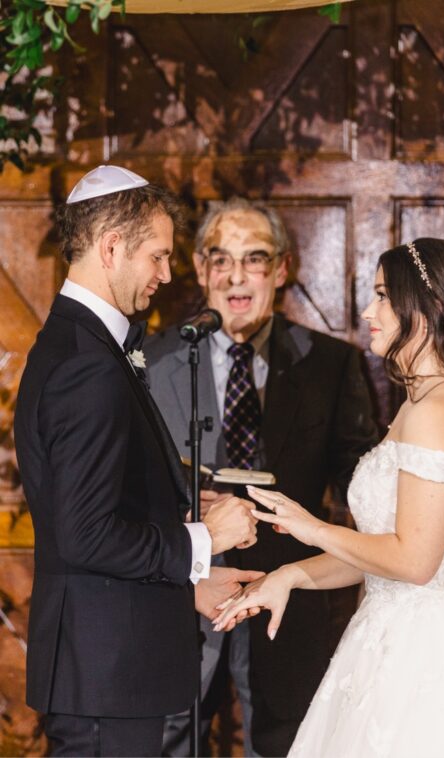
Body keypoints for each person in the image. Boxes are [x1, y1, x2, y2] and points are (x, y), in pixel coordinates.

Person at [213, 238, 444, 757]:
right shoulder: (426, 401)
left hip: (420, 657)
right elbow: (381, 553)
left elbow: (414, 562)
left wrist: (312, 528)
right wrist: (289, 576)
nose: (368, 311)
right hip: (389, 633)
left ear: (427, 308)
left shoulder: (435, 410)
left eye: (382, 297)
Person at [13, 165, 259, 756]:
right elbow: (84, 536)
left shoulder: (84, 345)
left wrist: (186, 585)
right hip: (104, 676)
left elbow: (106, 509)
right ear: (112, 246)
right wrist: (201, 540)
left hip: (107, 668)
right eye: (158, 256)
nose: (165, 275)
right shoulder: (85, 363)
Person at [146, 197, 379, 756]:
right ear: (200, 269)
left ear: (281, 269)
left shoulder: (331, 363)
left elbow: (363, 481)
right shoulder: (151, 362)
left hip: (290, 592)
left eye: (253, 259)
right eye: (219, 260)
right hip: (182, 590)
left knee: (287, 742)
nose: (235, 277)